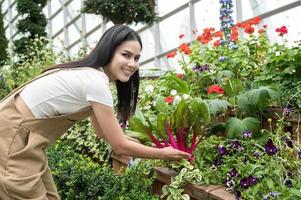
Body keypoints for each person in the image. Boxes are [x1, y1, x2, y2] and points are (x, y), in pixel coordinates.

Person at [0, 24, 190, 199]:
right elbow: (119, 147)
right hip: (12, 139)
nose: (132, 63)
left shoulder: (90, 75)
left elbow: (101, 131)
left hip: (25, 139)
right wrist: (163, 153)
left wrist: (130, 141)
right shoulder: (95, 82)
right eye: (126, 55)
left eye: (136, 58)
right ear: (108, 52)